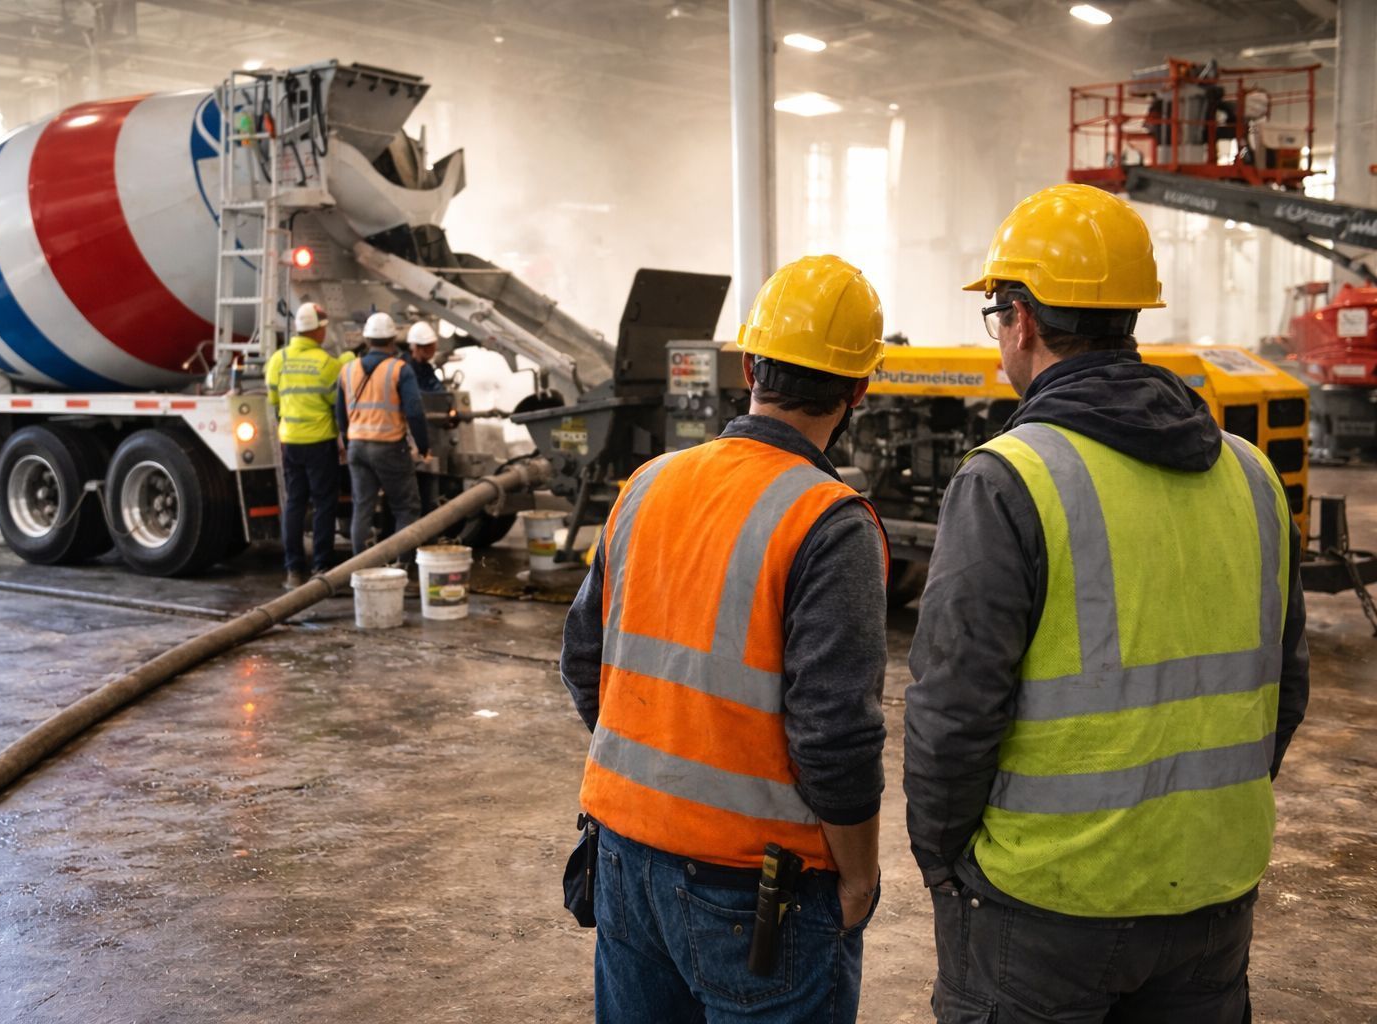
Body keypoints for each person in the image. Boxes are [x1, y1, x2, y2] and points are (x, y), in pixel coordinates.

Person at [903, 183, 1310, 1024]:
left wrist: (944, 862)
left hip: (1047, 907)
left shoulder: (1009, 479)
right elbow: (1287, 691)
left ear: (1018, 319)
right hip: (1212, 895)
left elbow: (952, 711)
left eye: (997, 316)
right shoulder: (1251, 475)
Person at [561, 255, 891, 1023]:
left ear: (747, 365)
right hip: (757, 890)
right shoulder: (829, 521)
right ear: (859, 390)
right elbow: (835, 736)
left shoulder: (648, 484)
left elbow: (584, 663)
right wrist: (858, 876)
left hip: (622, 856)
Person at [337, 310, 430, 552]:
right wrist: (423, 446)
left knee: (362, 508)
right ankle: (402, 567)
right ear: (392, 341)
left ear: (366, 340)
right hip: (389, 446)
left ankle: (361, 570)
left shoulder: (347, 369)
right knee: (406, 508)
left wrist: (349, 444)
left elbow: (340, 414)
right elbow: (415, 412)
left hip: (357, 446)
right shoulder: (400, 369)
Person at [265, 301, 342, 589]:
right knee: (323, 504)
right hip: (320, 443)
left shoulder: (279, 360)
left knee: (295, 503)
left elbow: (273, 400)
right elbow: (336, 404)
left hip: (290, 442)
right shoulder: (326, 364)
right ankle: (321, 567)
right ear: (319, 331)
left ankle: (294, 571)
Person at [403, 320, 446, 394]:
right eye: (429, 346)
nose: (433, 350)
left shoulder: (425, 367)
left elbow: (437, 388)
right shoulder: (406, 368)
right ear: (416, 347)